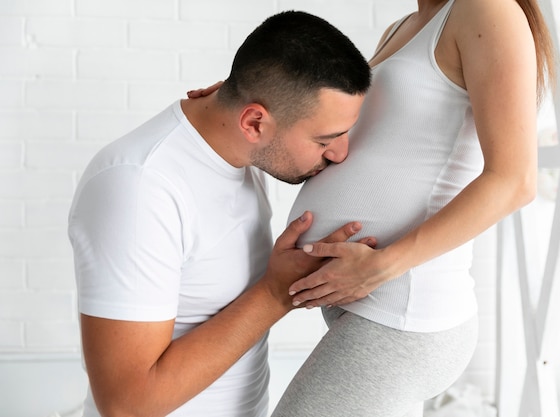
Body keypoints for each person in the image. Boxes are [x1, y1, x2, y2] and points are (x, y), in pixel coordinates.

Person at [192, 0, 555, 415]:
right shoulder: (405, 26)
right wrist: (243, 93)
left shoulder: (485, 9)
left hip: (404, 307)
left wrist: (383, 265)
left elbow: (514, 181)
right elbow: (340, 118)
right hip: (369, 305)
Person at [68, 11, 372, 417]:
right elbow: (127, 405)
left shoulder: (240, 149)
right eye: (325, 139)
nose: (339, 152)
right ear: (254, 122)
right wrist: (275, 292)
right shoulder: (138, 188)